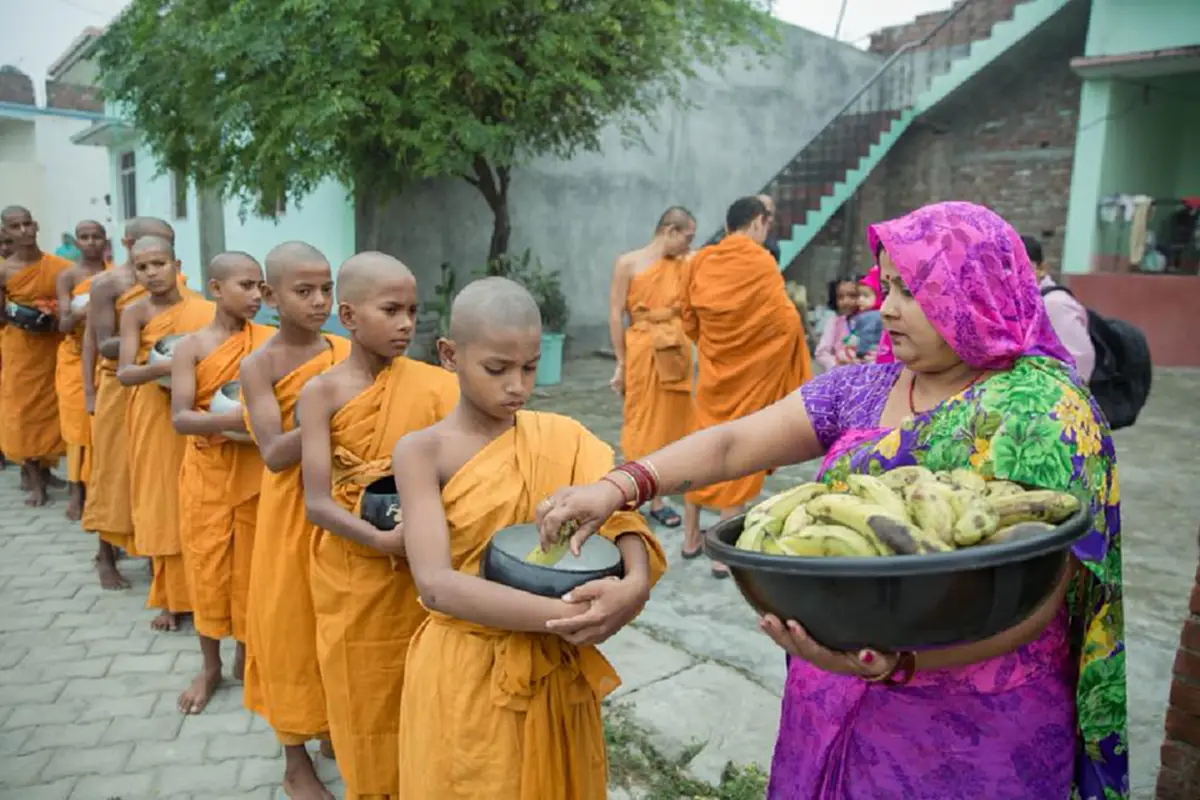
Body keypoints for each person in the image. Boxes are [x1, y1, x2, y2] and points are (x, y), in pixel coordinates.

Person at [536, 201, 1127, 799]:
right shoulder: (868, 385)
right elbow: (732, 441)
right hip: (830, 695)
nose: (886, 308)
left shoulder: (1042, 412)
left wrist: (901, 665)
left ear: (977, 292)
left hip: (972, 727)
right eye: (885, 286)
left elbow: (1043, 595)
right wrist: (617, 485)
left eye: (913, 291)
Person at [393, 277, 667, 798]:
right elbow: (435, 584)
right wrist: (579, 617)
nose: (517, 385)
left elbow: (620, 516)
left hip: (557, 666)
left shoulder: (560, 436)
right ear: (449, 355)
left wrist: (634, 585)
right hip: (468, 668)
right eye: (497, 368)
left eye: (530, 366)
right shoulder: (421, 452)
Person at [297, 251, 459, 799]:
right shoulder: (320, 393)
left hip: (425, 569)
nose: (407, 323)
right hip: (355, 570)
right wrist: (384, 541)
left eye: (412, 310)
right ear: (348, 316)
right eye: (391, 310)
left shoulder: (437, 385)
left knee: (419, 691)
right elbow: (316, 502)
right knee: (362, 696)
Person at [241, 242, 347, 799]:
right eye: (304, 291)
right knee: (289, 629)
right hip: (290, 511)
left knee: (336, 624)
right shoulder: (259, 364)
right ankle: (293, 758)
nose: (320, 301)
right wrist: (327, 410)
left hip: (345, 506)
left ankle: (333, 724)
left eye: (326, 289)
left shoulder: (344, 350)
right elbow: (273, 453)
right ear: (269, 296)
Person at [679, 195, 811, 576]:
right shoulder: (761, 263)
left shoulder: (701, 259)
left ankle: (690, 538)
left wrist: (713, 346)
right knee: (740, 449)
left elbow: (687, 317)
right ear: (757, 221)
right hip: (751, 376)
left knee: (701, 445)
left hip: (715, 372)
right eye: (767, 222)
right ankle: (721, 556)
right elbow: (784, 323)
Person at [170, 252, 274, 714]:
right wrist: (238, 418)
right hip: (209, 474)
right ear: (215, 288)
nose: (256, 296)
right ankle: (209, 665)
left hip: (256, 471)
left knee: (254, 569)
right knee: (208, 568)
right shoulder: (191, 347)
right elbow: (180, 417)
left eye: (260, 288)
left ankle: (247, 653)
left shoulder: (270, 343)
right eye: (245, 286)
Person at [117, 235, 215, 631]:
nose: (152, 273)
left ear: (177, 263)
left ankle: (208, 594)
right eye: (142, 267)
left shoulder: (205, 309)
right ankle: (173, 599)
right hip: (155, 415)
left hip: (198, 410)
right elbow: (125, 372)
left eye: (158, 264)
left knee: (199, 499)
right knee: (163, 501)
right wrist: (166, 367)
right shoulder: (135, 313)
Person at [82, 217, 174, 589]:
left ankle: (157, 553)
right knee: (115, 470)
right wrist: (151, 339)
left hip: (160, 383)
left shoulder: (175, 284)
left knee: (154, 471)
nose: (154, 263)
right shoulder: (108, 286)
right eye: (146, 248)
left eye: (166, 246)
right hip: (119, 385)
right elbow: (103, 342)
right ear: (128, 243)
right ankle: (105, 556)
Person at [608, 205, 696, 528]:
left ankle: (663, 488)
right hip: (643, 348)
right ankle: (647, 495)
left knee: (675, 424)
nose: (689, 244)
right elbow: (616, 313)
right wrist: (620, 361)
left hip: (675, 346)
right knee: (641, 423)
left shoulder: (687, 263)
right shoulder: (628, 263)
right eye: (687, 237)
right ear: (669, 231)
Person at [0, 205, 72, 506]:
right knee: (24, 411)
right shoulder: (4, 271)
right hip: (20, 347)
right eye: (15, 226)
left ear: (36, 225)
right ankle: (34, 479)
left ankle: (46, 469)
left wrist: (54, 311)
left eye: (27, 224)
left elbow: (72, 304)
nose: (23, 231)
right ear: (5, 232)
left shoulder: (60, 266)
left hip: (54, 345)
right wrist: (25, 315)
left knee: (54, 407)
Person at [55, 220, 109, 521]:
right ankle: (76, 488)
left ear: (105, 240)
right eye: (84, 237)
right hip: (74, 355)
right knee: (77, 425)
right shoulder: (67, 276)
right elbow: (62, 324)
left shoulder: (115, 274)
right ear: (76, 242)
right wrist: (79, 312)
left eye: (96, 237)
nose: (90, 242)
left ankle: (98, 484)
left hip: (107, 357)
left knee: (102, 427)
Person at [1023, 235, 1095, 383]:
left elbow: (1079, 366)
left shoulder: (1054, 304)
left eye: (1021, 268)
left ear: (1042, 268)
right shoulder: (1027, 303)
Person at [813, 276, 862, 370]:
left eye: (853, 295)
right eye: (840, 297)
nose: (846, 301)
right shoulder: (834, 323)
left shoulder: (872, 322)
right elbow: (821, 352)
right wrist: (836, 365)